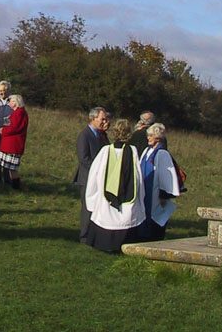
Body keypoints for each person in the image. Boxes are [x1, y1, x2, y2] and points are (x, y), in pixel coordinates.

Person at [84, 118, 145, 253]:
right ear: (129, 133)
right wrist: (141, 198)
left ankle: (104, 244)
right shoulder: (132, 151)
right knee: (126, 214)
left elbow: (94, 174)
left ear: (114, 132)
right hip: (127, 195)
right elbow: (138, 177)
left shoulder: (105, 151)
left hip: (106, 199)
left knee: (106, 214)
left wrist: (92, 199)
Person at [136, 123, 180, 241]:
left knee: (155, 215)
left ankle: (153, 237)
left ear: (158, 137)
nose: (148, 138)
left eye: (151, 135)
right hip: (145, 190)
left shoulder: (162, 153)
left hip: (155, 193)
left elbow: (166, 176)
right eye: (148, 135)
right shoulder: (146, 151)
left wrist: (164, 195)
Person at [74, 106, 110, 243]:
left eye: (106, 119)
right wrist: (98, 170)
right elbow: (84, 159)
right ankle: (84, 236)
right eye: (102, 119)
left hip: (98, 178)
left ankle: (94, 235)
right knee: (87, 209)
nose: (105, 122)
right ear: (93, 118)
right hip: (87, 178)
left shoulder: (101, 135)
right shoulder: (84, 135)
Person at [0, 94, 29, 190]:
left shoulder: (19, 113)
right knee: (10, 167)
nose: (9, 103)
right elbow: (9, 124)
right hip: (10, 144)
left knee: (12, 167)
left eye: (11, 101)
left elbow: (14, 128)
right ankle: (14, 185)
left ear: (16, 102)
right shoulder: (16, 112)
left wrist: (3, 130)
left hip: (13, 144)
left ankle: (16, 186)